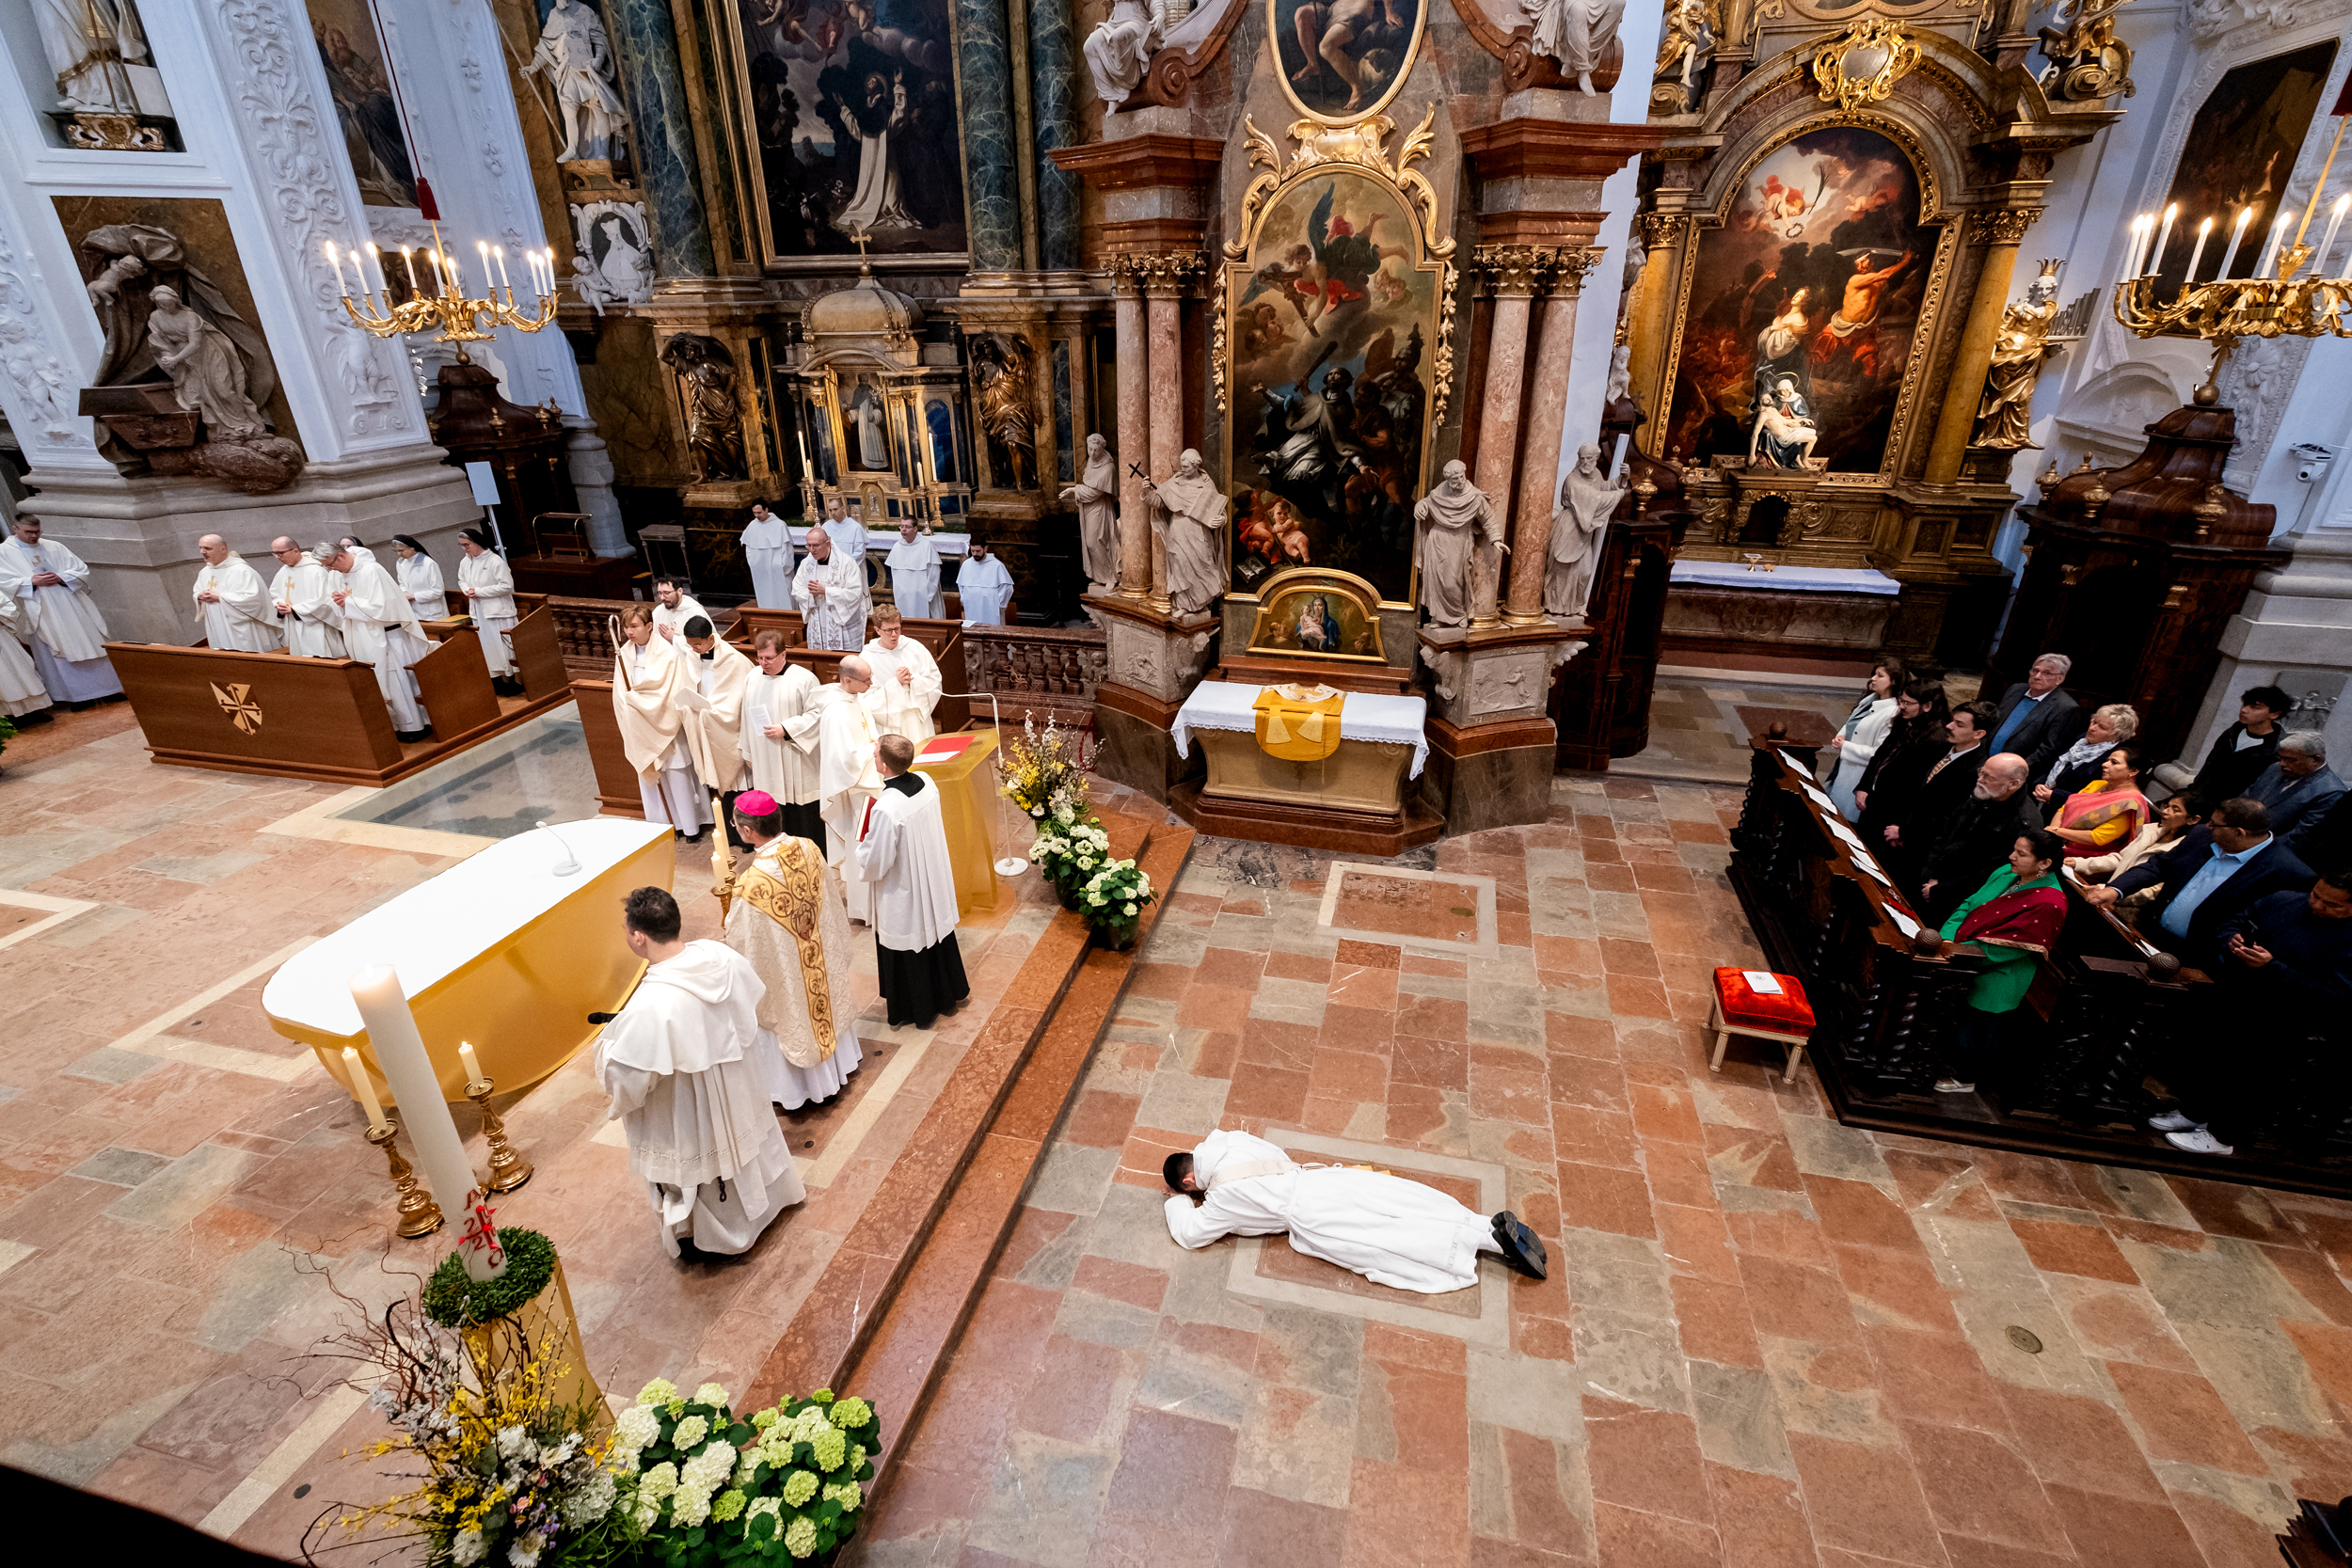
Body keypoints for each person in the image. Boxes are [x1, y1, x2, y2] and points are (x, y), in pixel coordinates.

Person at [594, 887, 805, 1258]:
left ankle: (721, 1236)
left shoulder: (651, 1005)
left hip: (696, 1110)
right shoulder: (721, 957)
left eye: (626, 930)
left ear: (639, 937)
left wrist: (605, 1050)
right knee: (747, 1150)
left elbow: (629, 1080)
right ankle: (771, 1202)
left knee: (709, 1164)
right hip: (739, 1088)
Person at [1163, 1130, 1549, 1291]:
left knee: (1390, 1238)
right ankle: (1486, 1229)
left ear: (1189, 1181)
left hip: (1312, 1216)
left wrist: (1177, 1202)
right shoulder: (1231, 1141)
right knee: (1401, 1201)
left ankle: (1487, 1244)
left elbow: (1191, 1233)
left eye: (1189, 1190)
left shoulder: (1221, 1199)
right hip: (1323, 1180)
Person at [2151, 868, 2352, 1157]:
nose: (2317, 905)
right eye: (2316, 895)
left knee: (2247, 1081)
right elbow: (2233, 921)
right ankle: (2194, 1114)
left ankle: (2222, 1138)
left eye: (2332, 904)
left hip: (2283, 1020)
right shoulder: (2284, 899)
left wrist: (2272, 968)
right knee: (2209, 1061)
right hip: (2234, 995)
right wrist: (2231, 938)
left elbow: (2334, 996)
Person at [722, 790, 865, 1108]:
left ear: (748, 831)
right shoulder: (809, 847)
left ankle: (802, 1089)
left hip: (792, 977)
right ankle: (840, 1064)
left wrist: (729, 921)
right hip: (820, 958)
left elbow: (745, 941)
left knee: (789, 1004)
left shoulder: (752, 884)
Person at [2083, 797, 2314, 967]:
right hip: (2149, 932)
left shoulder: (2287, 872)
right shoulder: (2201, 835)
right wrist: (2116, 889)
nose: (2208, 827)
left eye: (2215, 824)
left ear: (2239, 833)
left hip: (2200, 959)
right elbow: (2161, 865)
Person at [1932, 829, 2069, 1096]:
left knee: (1975, 1028)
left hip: (1999, 971)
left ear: (2044, 863)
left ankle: (1964, 1077)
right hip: (1960, 951)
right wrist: (1946, 938)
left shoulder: (2050, 903)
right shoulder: (2006, 872)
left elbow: (2010, 950)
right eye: (2014, 850)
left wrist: (1959, 952)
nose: (2011, 857)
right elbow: (1969, 904)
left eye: (2021, 854)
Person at [855, 734, 970, 1028]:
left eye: (876, 753)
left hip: (904, 887)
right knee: (933, 930)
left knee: (909, 935)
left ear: (883, 766)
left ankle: (917, 1009)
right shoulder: (926, 782)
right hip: (930, 877)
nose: (874, 756)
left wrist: (862, 848)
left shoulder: (886, 808)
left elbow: (877, 860)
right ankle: (948, 993)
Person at [612, 604, 711, 839]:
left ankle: (690, 826)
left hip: (666, 725)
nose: (629, 632)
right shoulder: (623, 654)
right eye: (626, 627)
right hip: (640, 727)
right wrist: (631, 709)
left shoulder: (666, 653)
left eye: (634, 626)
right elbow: (619, 693)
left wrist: (642, 705)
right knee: (653, 780)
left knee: (677, 776)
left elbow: (670, 691)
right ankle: (663, 826)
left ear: (649, 626)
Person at [0, 517, 121, 705]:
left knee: (90, 641)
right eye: (28, 532)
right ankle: (77, 697)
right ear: (15, 529)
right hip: (39, 608)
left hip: (70, 604)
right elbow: (3, 582)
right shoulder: (4, 552)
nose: (34, 536)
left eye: (37, 531)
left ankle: (109, 690)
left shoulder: (54, 546)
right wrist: (30, 581)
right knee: (57, 649)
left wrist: (62, 577)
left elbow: (80, 570)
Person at [321, 542, 432, 741]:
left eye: (330, 564)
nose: (330, 570)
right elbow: (331, 601)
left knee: (395, 681)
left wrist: (349, 602)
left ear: (341, 556)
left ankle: (415, 727)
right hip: (359, 635)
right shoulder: (335, 575)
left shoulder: (372, 570)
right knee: (375, 680)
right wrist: (339, 601)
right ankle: (394, 725)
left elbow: (383, 607)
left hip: (386, 637)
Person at [1916, 752, 2036, 922]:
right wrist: (1931, 873)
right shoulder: (1985, 793)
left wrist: (1941, 889)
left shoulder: (2023, 825)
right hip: (1931, 879)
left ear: (2013, 784)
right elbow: (1947, 831)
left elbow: (1989, 873)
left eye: (1989, 777)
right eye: (1982, 772)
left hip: (1958, 899)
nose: (1980, 779)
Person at [1886, 701, 1995, 888]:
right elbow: (1915, 789)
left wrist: (1905, 833)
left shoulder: (1976, 771)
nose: (1949, 726)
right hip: (1901, 831)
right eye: (1952, 720)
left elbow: (1948, 817)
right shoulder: (1942, 747)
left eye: (1959, 724)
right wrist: (1898, 823)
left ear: (1979, 734)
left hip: (1923, 848)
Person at [816, 656, 886, 923]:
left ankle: (877, 903)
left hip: (871, 779)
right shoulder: (835, 713)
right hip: (856, 789)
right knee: (862, 845)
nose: (871, 684)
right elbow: (844, 761)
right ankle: (864, 908)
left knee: (873, 843)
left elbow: (870, 731)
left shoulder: (856, 699)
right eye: (866, 680)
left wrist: (876, 744)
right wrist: (873, 749)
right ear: (847, 680)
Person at [741, 630, 826, 850]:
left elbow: (817, 715)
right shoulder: (752, 678)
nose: (764, 663)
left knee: (801, 816)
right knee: (773, 812)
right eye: (760, 658)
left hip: (795, 757)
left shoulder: (804, 679)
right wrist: (748, 752)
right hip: (765, 757)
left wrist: (786, 729)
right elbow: (745, 717)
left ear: (783, 655)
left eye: (769, 658)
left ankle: (810, 854)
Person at [677, 615, 755, 842]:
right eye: (690, 645)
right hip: (706, 729)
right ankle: (729, 834)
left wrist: (713, 714)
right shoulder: (693, 657)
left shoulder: (735, 661)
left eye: (697, 644)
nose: (694, 649)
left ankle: (748, 836)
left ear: (711, 638)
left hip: (727, 731)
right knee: (718, 786)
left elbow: (738, 701)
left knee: (740, 784)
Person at [1854, 677, 1947, 833]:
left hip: (1893, 810)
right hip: (1875, 799)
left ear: (1927, 706)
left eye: (1908, 703)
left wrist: (1901, 824)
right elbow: (1879, 756)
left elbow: (1915, 785)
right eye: (1901, 700)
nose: (1902, 706)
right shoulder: (1904, 721)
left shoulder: (1936, 738)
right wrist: (1863, 787)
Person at [2172, 685, 2291, 804]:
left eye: (2255, 707)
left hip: (2227, 808)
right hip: (2197, 799)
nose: (2244, 710)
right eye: (2244, 704)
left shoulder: (2274, 750)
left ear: (2274, 714)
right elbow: (2208, 769)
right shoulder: (2233, 732)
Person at [2071, 789, 2201, 895]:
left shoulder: (2183, 851)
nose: (2166, 812)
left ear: (2193, 819)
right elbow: (2121, 859)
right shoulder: (2152, 831)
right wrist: (2079, 863)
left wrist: (2113, 890)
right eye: (2167, 806)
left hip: (2125, 905)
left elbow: (2154, 891)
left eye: (2175, 810)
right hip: (2109, 891)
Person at [1824, 656, 1904, 819]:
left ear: (1894, 681)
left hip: (1859, 775)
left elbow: (1879, 753)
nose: (1873, 679)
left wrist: (1845, 746)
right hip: (1844, 768)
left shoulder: (1892, 713)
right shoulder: (1870, 699)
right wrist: (1841, 735)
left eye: (1880, 676)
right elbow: (1853, 722)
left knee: (1844, 818)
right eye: (1874, 674)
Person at [2031, 703, 2137, 824]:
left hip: (2067, 816)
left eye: (2102, 727)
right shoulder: (2081, 740)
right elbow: (2055, 764)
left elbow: (2095, 799)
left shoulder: (2112, 759)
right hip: (2040, 800)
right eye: (2094, 722)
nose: (2092, 728)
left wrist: (2055, 796)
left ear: (2117, 736)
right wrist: (2040, 783)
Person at [1985, 653, 2083, 778]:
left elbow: (2048, 751)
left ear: (2060, 679)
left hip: (2012, 775)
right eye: (2035, 670)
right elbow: (1993, 724)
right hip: (1985, 762)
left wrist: (2012, 772)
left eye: (2047, 673)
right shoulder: (2016, 689)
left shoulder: (2066, 708)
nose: (2037, 676)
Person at [2047, 742, 2152, 859]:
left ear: (2133, 771)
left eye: (2114, 762)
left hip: (2084, 856)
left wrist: (2056, 831)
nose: (2104, 764)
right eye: (2107, 760)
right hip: (2057, 838)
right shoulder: (2097, 784)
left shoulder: (2131, 803)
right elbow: (2063, 809)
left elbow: (2097, 837)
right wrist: (2052, 835)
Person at [860, 606, 942, 744]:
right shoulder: (867, 657)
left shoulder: (915, 648)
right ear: (877, 630)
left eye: (897, 628)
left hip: (916, 720)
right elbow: (865, 699)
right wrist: (896, 683)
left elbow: (935, 680)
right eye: (888, 630)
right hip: (889, 724)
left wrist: (912, 680)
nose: (894, 634)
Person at [2246, 733, 2344, 847]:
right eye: (2281, 758)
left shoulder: (2330, 792)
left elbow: (2299, 837)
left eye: (2291, 760)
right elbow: (2246, 797)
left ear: (2316, 760)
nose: (2282, 764)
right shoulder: (2275, 769)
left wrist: (2252, 847)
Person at [190, 533, 280, 653]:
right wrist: (199, 596)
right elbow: (197, 591)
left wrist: (221, 597)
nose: (202, 552)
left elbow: (254, 599)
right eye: (201, 548)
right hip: (217, 623)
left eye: (207, 548)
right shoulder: (205, 572)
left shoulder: (241, 570)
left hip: (242, 625)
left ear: (223, 549)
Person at [457, 529, 522, 694]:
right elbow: (461, 580)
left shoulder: (495, 561)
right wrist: (467, 590)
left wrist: (479, 592)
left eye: (466, 545)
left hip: (498, 612)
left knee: (502, 648)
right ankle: (498, 681)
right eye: (462, 545)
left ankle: (513, 681)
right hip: (479, 611)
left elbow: (506, 586)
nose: (464, 549)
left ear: (477, 543)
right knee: (488, 648)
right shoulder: (465, 562)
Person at [267, 537, 346, 658]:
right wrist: (280, 604)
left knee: (321, 659)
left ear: (295, 551)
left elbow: (324, 601)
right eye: (275, 553)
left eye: (280, 553)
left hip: (315, 626)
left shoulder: (316, 571)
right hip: (293, 624)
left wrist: (295, 609)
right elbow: (274, 593)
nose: (278, 557)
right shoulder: (283, 571)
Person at [793, 526, 868, 652]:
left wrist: (826, 591)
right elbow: (796, 590)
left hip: (842, 627)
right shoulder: (806, 564)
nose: (811, 550)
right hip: (817, 624)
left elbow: (855, 593)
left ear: (827, 543)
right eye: (808, 545)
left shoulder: (846, 563)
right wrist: (811, 595)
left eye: (815, 545)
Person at [1064, 434, 1119, 594]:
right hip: (1088, 508)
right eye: (1090, 449)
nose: (1092, 453)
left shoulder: (1108, 468)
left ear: (1102, 449)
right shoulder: (1091, 461)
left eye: (1096, 450)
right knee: (1093, 542)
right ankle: (1101, 576)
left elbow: (1094, 492)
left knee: (1096, 541)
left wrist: (1073, 489)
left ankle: (1111, 575)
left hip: (1100, 509)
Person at [0, 590, 53, 721]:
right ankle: (9, 717)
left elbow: (7, 605)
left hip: (4, 639)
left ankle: (34, 710)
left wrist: (2, 617)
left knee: (19, 670)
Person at [883, 519, 944, 619]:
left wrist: (927, 594)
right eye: (902, 526)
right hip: (904, 594)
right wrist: (900, 590)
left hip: (924, 593)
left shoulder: (926, 545)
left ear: (915, 529)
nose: (903, 530)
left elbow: (934, 572)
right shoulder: (897, 546)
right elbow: (895, 572)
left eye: (907, 527)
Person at [741, 501, 794, 610]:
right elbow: (749, 548)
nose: (757, 516)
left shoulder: (779, 525)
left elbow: (787, 549)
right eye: (754, 513)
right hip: (760, 571)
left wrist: (783, 567)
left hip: (779, 570)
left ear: (766, 510)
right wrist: (753, 564)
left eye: (759, 512)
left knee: (783, 598)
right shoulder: (752, 525)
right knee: (765, 598)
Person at [957, 537, 1014, 626]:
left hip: (991, 607)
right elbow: (961, 585)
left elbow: (1007, 587)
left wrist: (1000, 604)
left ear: (985, 549)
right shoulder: (966, 564)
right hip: (972, 606)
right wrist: (965, 599)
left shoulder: (997, 565)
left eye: (978, 551)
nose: (975, 554)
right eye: (972, 551)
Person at [391, 534, 446, 622]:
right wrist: (404, 592)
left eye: (402, 550)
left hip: (432, 614)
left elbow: (438, 591)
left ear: (411, 548)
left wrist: (414, 596)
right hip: (413, 613)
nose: (399, 554)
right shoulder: (400, 563)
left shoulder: (428, 563)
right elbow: (402, 583)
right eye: (397, 551)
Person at [650, 575, 707, 643]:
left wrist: (674, 639)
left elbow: (704, 642)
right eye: (659, 593)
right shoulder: (658, 611)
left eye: (666, 593)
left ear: (680, 591)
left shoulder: (695, 612)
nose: (662, 598)